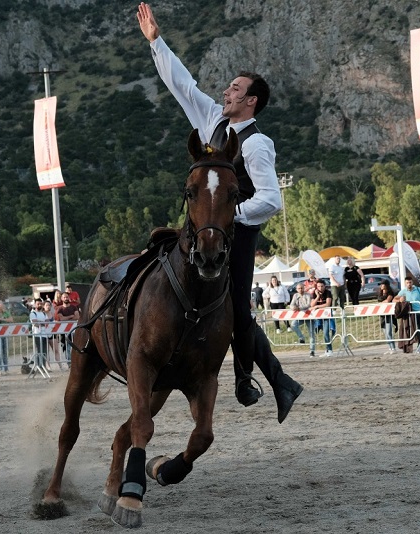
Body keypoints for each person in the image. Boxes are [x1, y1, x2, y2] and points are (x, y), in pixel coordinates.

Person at [139, 2, 301, 421]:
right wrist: (157, 42)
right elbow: (182, 85)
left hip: (237, 232)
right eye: (227, 89)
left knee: (238, 310)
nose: (225, 92)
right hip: (201, 225)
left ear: (250, 101)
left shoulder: (256, 144)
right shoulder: (211, 117)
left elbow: (271, 198)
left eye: (233, 89)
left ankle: (251, 378)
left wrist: (231, 216)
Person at [395, 276, 420, 349]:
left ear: (412, 282)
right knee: (414, 329)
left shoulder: (418, 289)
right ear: (405, 283)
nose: (409, 284)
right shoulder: (403, 291)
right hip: (411, 313)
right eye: (407, 283)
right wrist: (399, 300)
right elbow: (394, 299)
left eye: (410, 282)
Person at [309, 280, 335, 357]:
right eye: (319, 286)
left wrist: (317, 306)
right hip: (318, 316)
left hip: (327, 315)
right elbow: (312, 304)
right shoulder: (314, 293)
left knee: (326, 333)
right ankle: (327, 349)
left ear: (324, 286)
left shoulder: (328, 292)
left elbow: (328, 304)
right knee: (323, 334)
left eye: (322, 286)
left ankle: (330, 350)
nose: (320, 288)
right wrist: (317, 296)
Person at [377, 279, 398, 354]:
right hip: (382, 315)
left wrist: (380, 304)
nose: (381, 286)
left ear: (386, 285)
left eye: (383, 284)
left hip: (389, 315)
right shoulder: (380, 293)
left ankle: (393, 348)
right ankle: (389, 348)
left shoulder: (390, 293)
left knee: (389, 332)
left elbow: (387, 301)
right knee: (385, 333)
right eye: (381, 284)